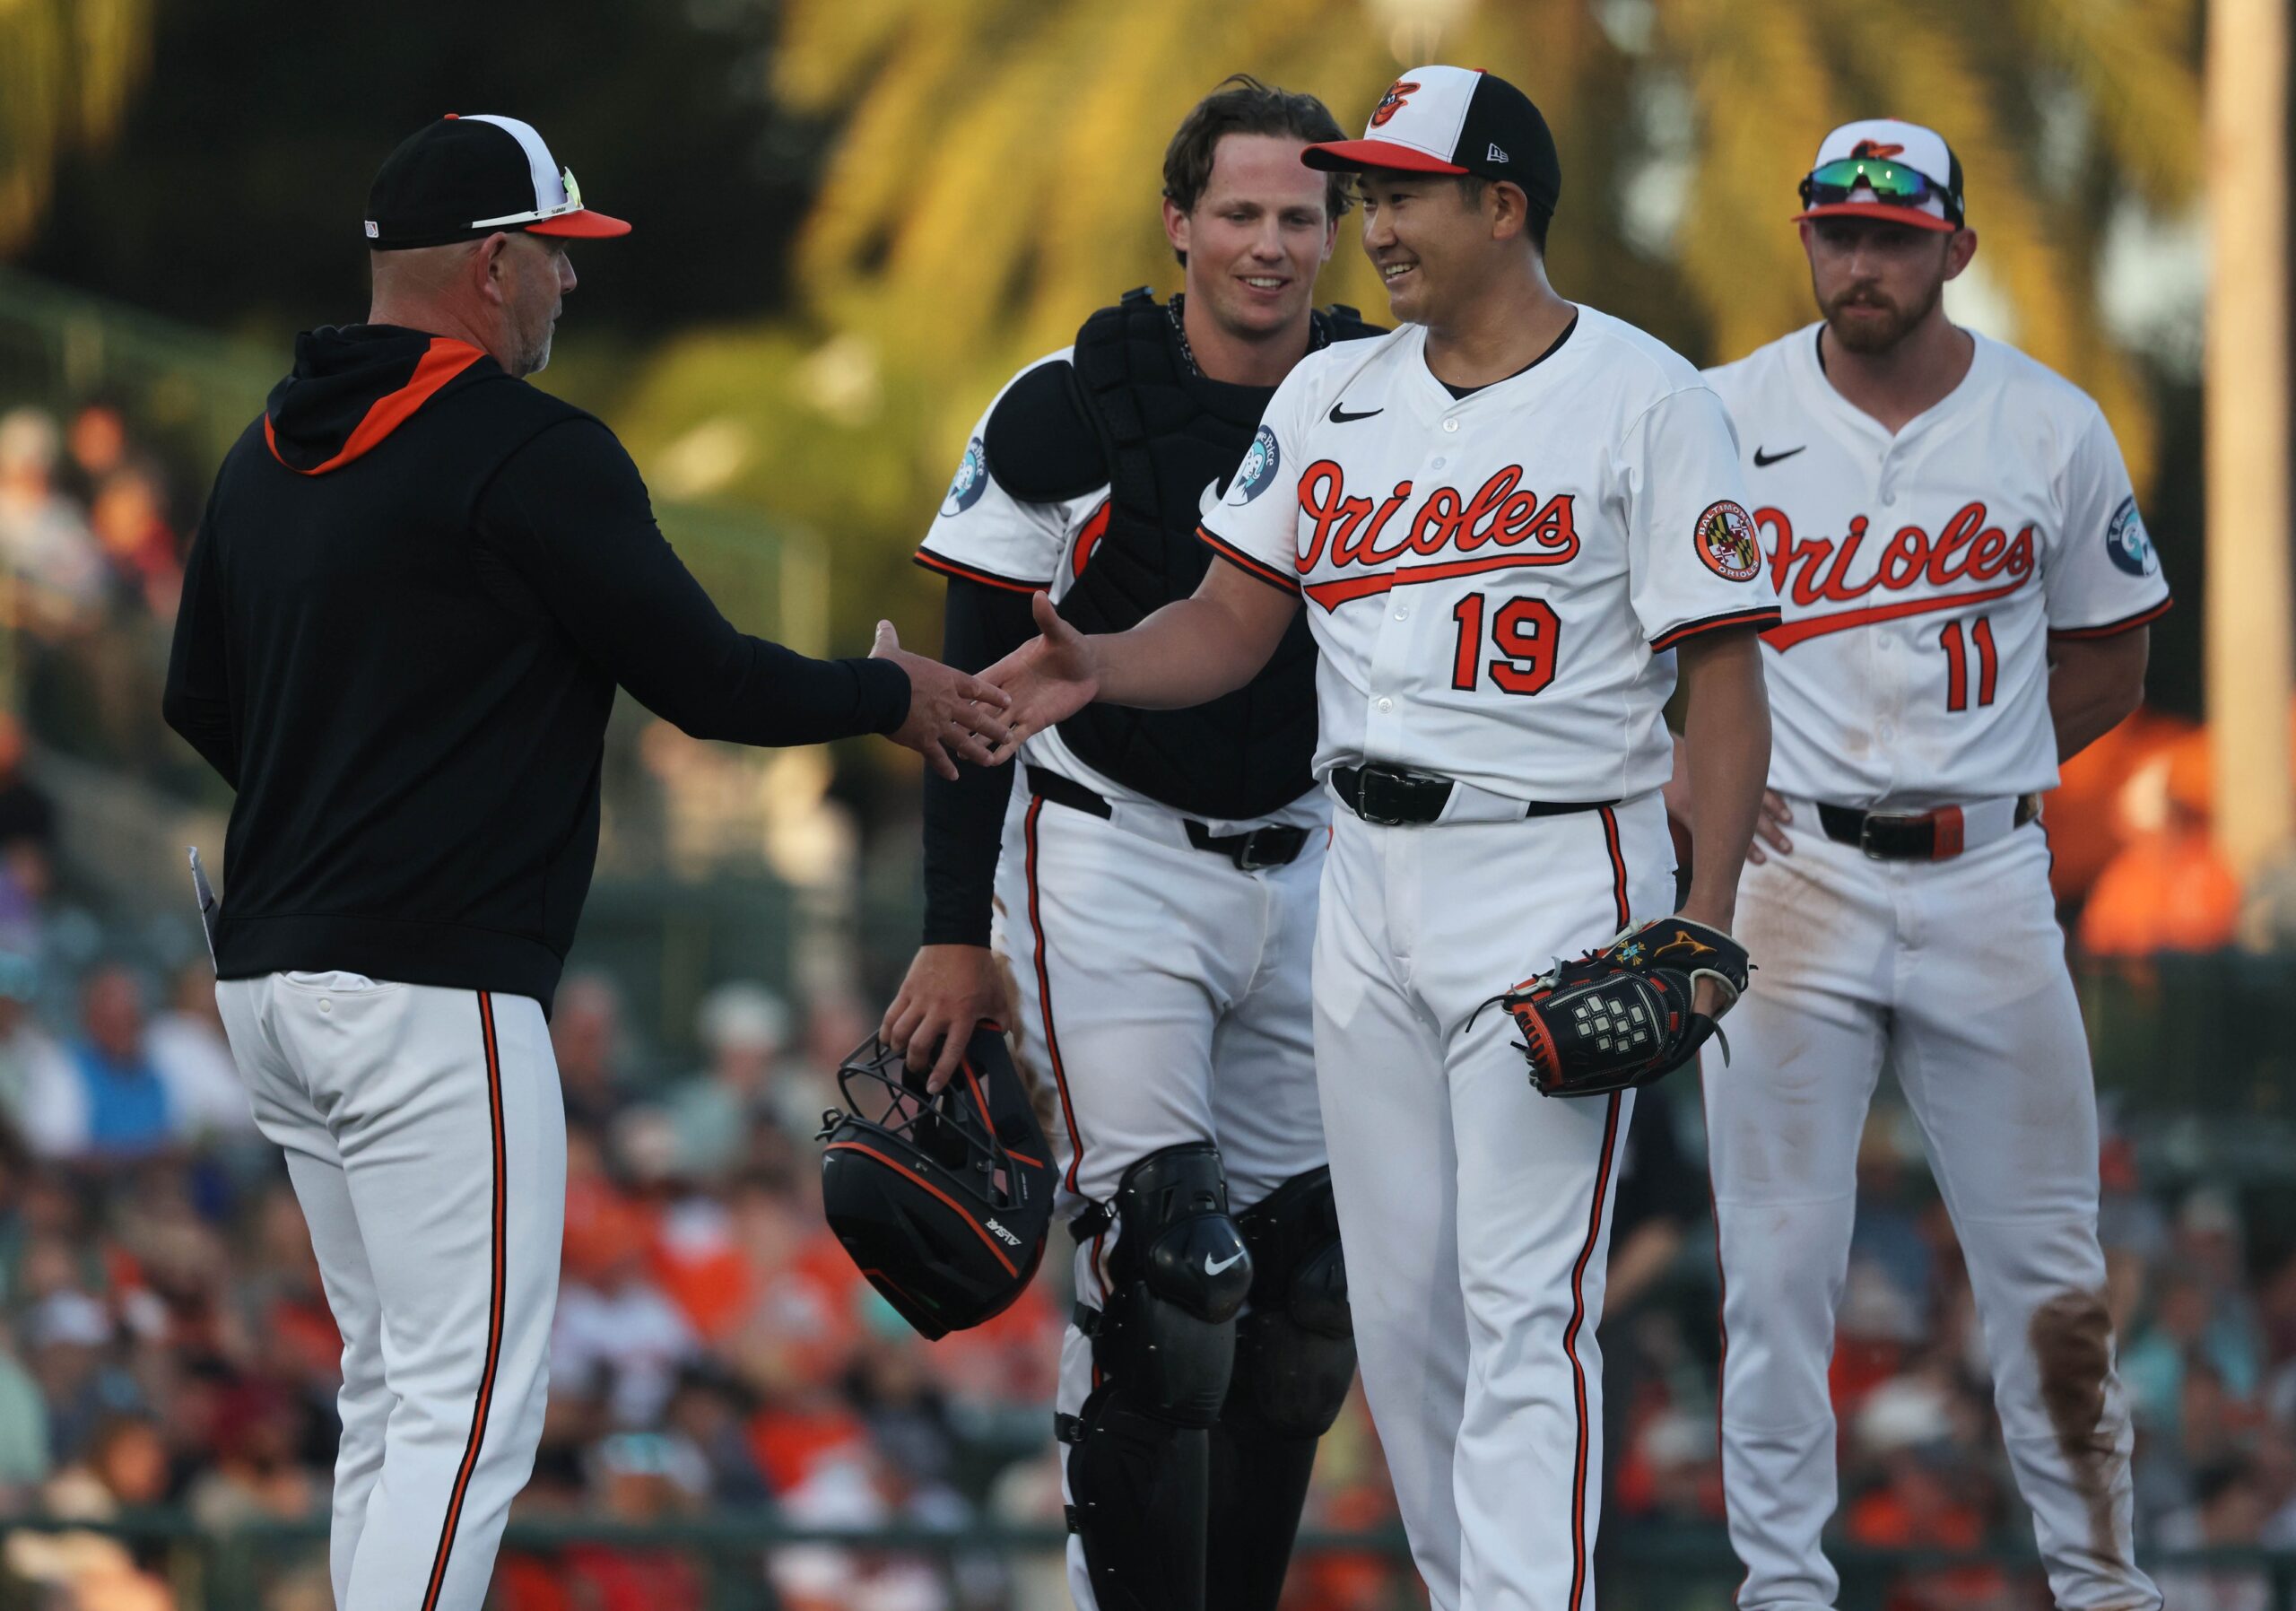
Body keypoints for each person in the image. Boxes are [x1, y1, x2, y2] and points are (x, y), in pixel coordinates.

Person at [160, 112, 1008, 1611]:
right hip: (431, 992)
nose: (569, 286)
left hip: (274, 982)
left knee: (394, 1398)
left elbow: (201, 705)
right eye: (557, 257)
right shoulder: (526, 447)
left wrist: (355, 811)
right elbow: (709, 681)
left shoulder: (258, 454)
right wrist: (891, 693)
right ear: (492, 267)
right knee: (466, 1413)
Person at [982, 65, 1777, 1610]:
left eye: (1402, 193)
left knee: (1521, 1303)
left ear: (1503, 205)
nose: (1372, 225)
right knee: (1395, 1322)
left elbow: (1727, 687)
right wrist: (1097, 663)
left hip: (1554, 869)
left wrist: (1710, 916)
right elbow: (1227, 620)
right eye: (1367, 194)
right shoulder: (1332, 396)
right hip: (1363, 877)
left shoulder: (1649, 398)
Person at [879, 75, 1378, 1611]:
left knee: (1300, 1290)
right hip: (1113, 846)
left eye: (1303, 216)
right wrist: (955, 930)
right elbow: (967, 693)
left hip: (1316, 857)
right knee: (1168, 1263)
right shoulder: (1069, 400)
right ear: (1178, 223)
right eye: (1240, 212)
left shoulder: (1395, 398)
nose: (1272, 245)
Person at [1690, 118, 2169, 1610]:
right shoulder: (1714, 414)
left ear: (1954, 248)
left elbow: (2111, 660)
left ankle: (2103, 1587)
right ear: (1807, 236)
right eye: (1839, 229)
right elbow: (1632, 636)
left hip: (1985, 884)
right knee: (1774, 1280)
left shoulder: (2052, 426)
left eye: (1896, 235)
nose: (1863, 259)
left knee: (2051, 1279)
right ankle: (1781, 1592)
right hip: (1792, 886)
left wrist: (1995, 774)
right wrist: (1703, 780)